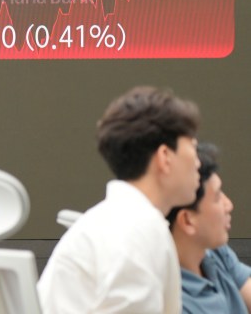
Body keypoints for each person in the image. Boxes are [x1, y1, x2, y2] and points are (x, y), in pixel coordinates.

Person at [38, 86, 202, 314]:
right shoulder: (136, 229)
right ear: (165, 157)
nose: (198, 163)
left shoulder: (122, 220)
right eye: (193, 148)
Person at [168, 143, 251, 313]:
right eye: (217, 196)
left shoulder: (214, 251)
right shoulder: (173, 302)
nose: (229, 205)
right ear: (187, 220)